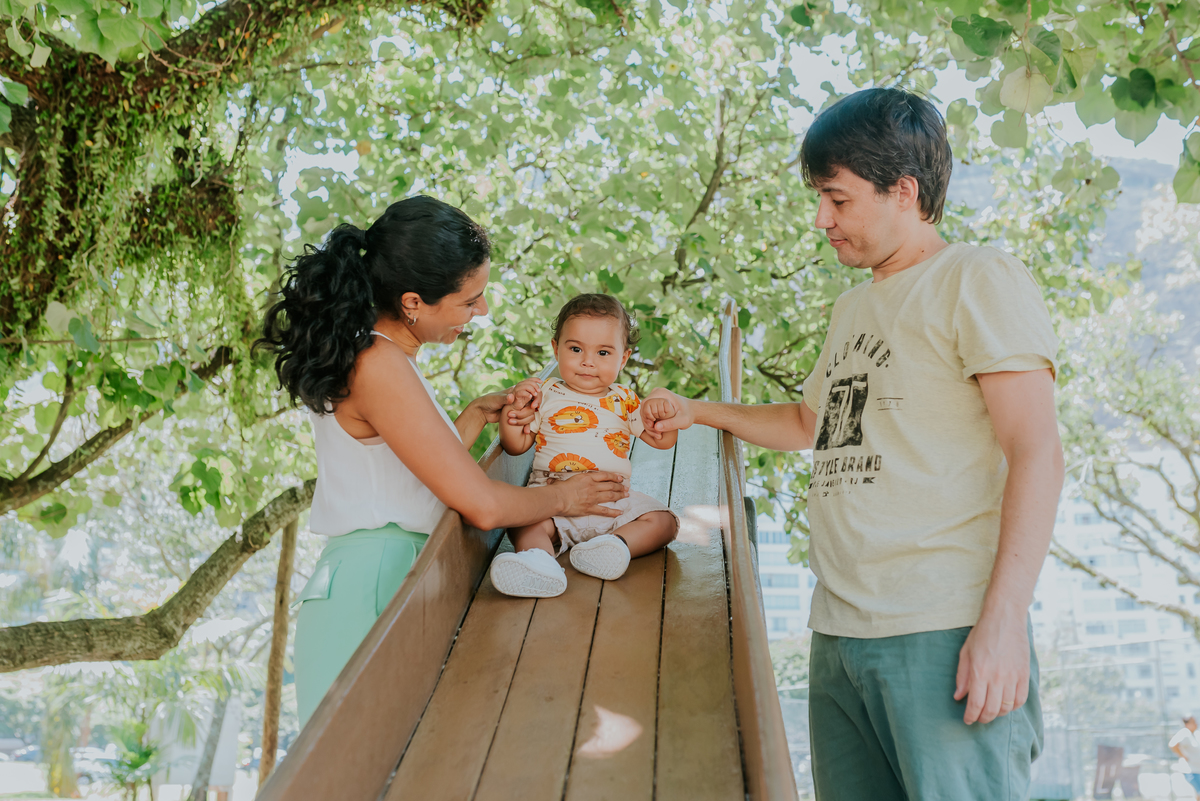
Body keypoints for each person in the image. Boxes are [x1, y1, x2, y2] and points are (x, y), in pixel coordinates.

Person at [640, 88, 1064, 799]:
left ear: (904, 190)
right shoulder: (853, 307)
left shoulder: (976, 277)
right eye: (819, 198)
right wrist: (697, 412)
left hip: (942, 628)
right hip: (838, 634)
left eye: (837, 199)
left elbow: (1037, 451)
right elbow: (809, 424)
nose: (822, 219)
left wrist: (1002, 622)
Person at [257, 196, 630, 726]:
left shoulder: (383, 355)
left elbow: (404, 472)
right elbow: (482, 505)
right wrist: (568, 497)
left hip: (391, 575)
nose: (483, 310)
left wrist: (474, 416)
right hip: (372, 587)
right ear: (413, 302)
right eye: (470, 300)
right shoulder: (378, 363)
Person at [489, 294, 679, 597]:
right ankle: (540, 563)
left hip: (612, 502)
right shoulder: (545, 393)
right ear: (556, 349)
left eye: (603, 352)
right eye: (576, 349)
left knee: (664, 522)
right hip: (552, 498)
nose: (588, 361)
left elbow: (664, 440)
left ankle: (614, 547)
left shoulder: (626, 401)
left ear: (623, 358)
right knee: (523, 522)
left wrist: (662, 410)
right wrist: (513, 411)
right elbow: (516, 445)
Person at [1170, 715, 1200, 792]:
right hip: (1192, 770)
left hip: (1197, 769)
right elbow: (1172, 745)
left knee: (1198, 794)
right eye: (1193, 722)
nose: (1196, 724)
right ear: (1187, 724)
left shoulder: (1194, 733)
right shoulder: (1184, 732)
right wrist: (1183, 756)